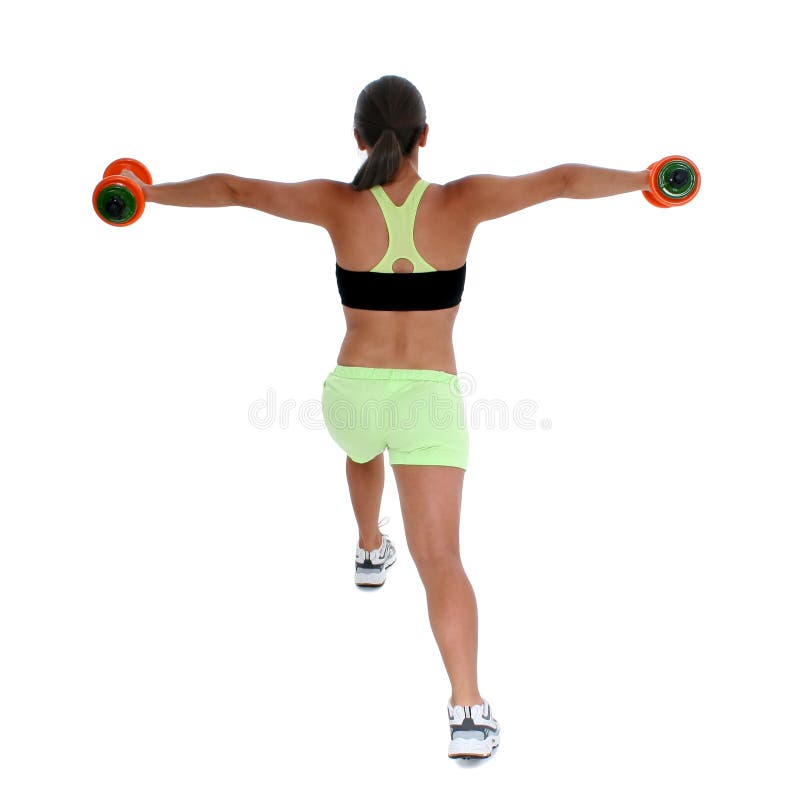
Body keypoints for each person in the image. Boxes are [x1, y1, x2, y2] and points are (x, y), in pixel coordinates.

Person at [121, 74, 654, 760]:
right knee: (442, 561)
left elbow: (231, 188)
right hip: (429, 399)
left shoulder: (334, 204)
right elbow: (562, 180)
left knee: (363, 449)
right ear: (425, 136)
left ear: (358, 138)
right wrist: (646, 178)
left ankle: (370, 547)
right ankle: (468, 712)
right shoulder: (464, 201)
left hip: (353, 395)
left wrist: (144, 192)